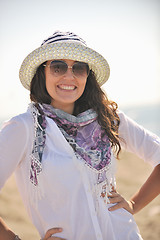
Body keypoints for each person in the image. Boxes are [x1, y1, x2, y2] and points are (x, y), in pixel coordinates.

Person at [0, 31, 160, 240]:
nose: (69, 76)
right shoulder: (24, 127)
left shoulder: (108, 118)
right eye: (58, 67)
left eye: (79, 68)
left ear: (87, 75)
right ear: (43, 72)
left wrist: (133, 204)